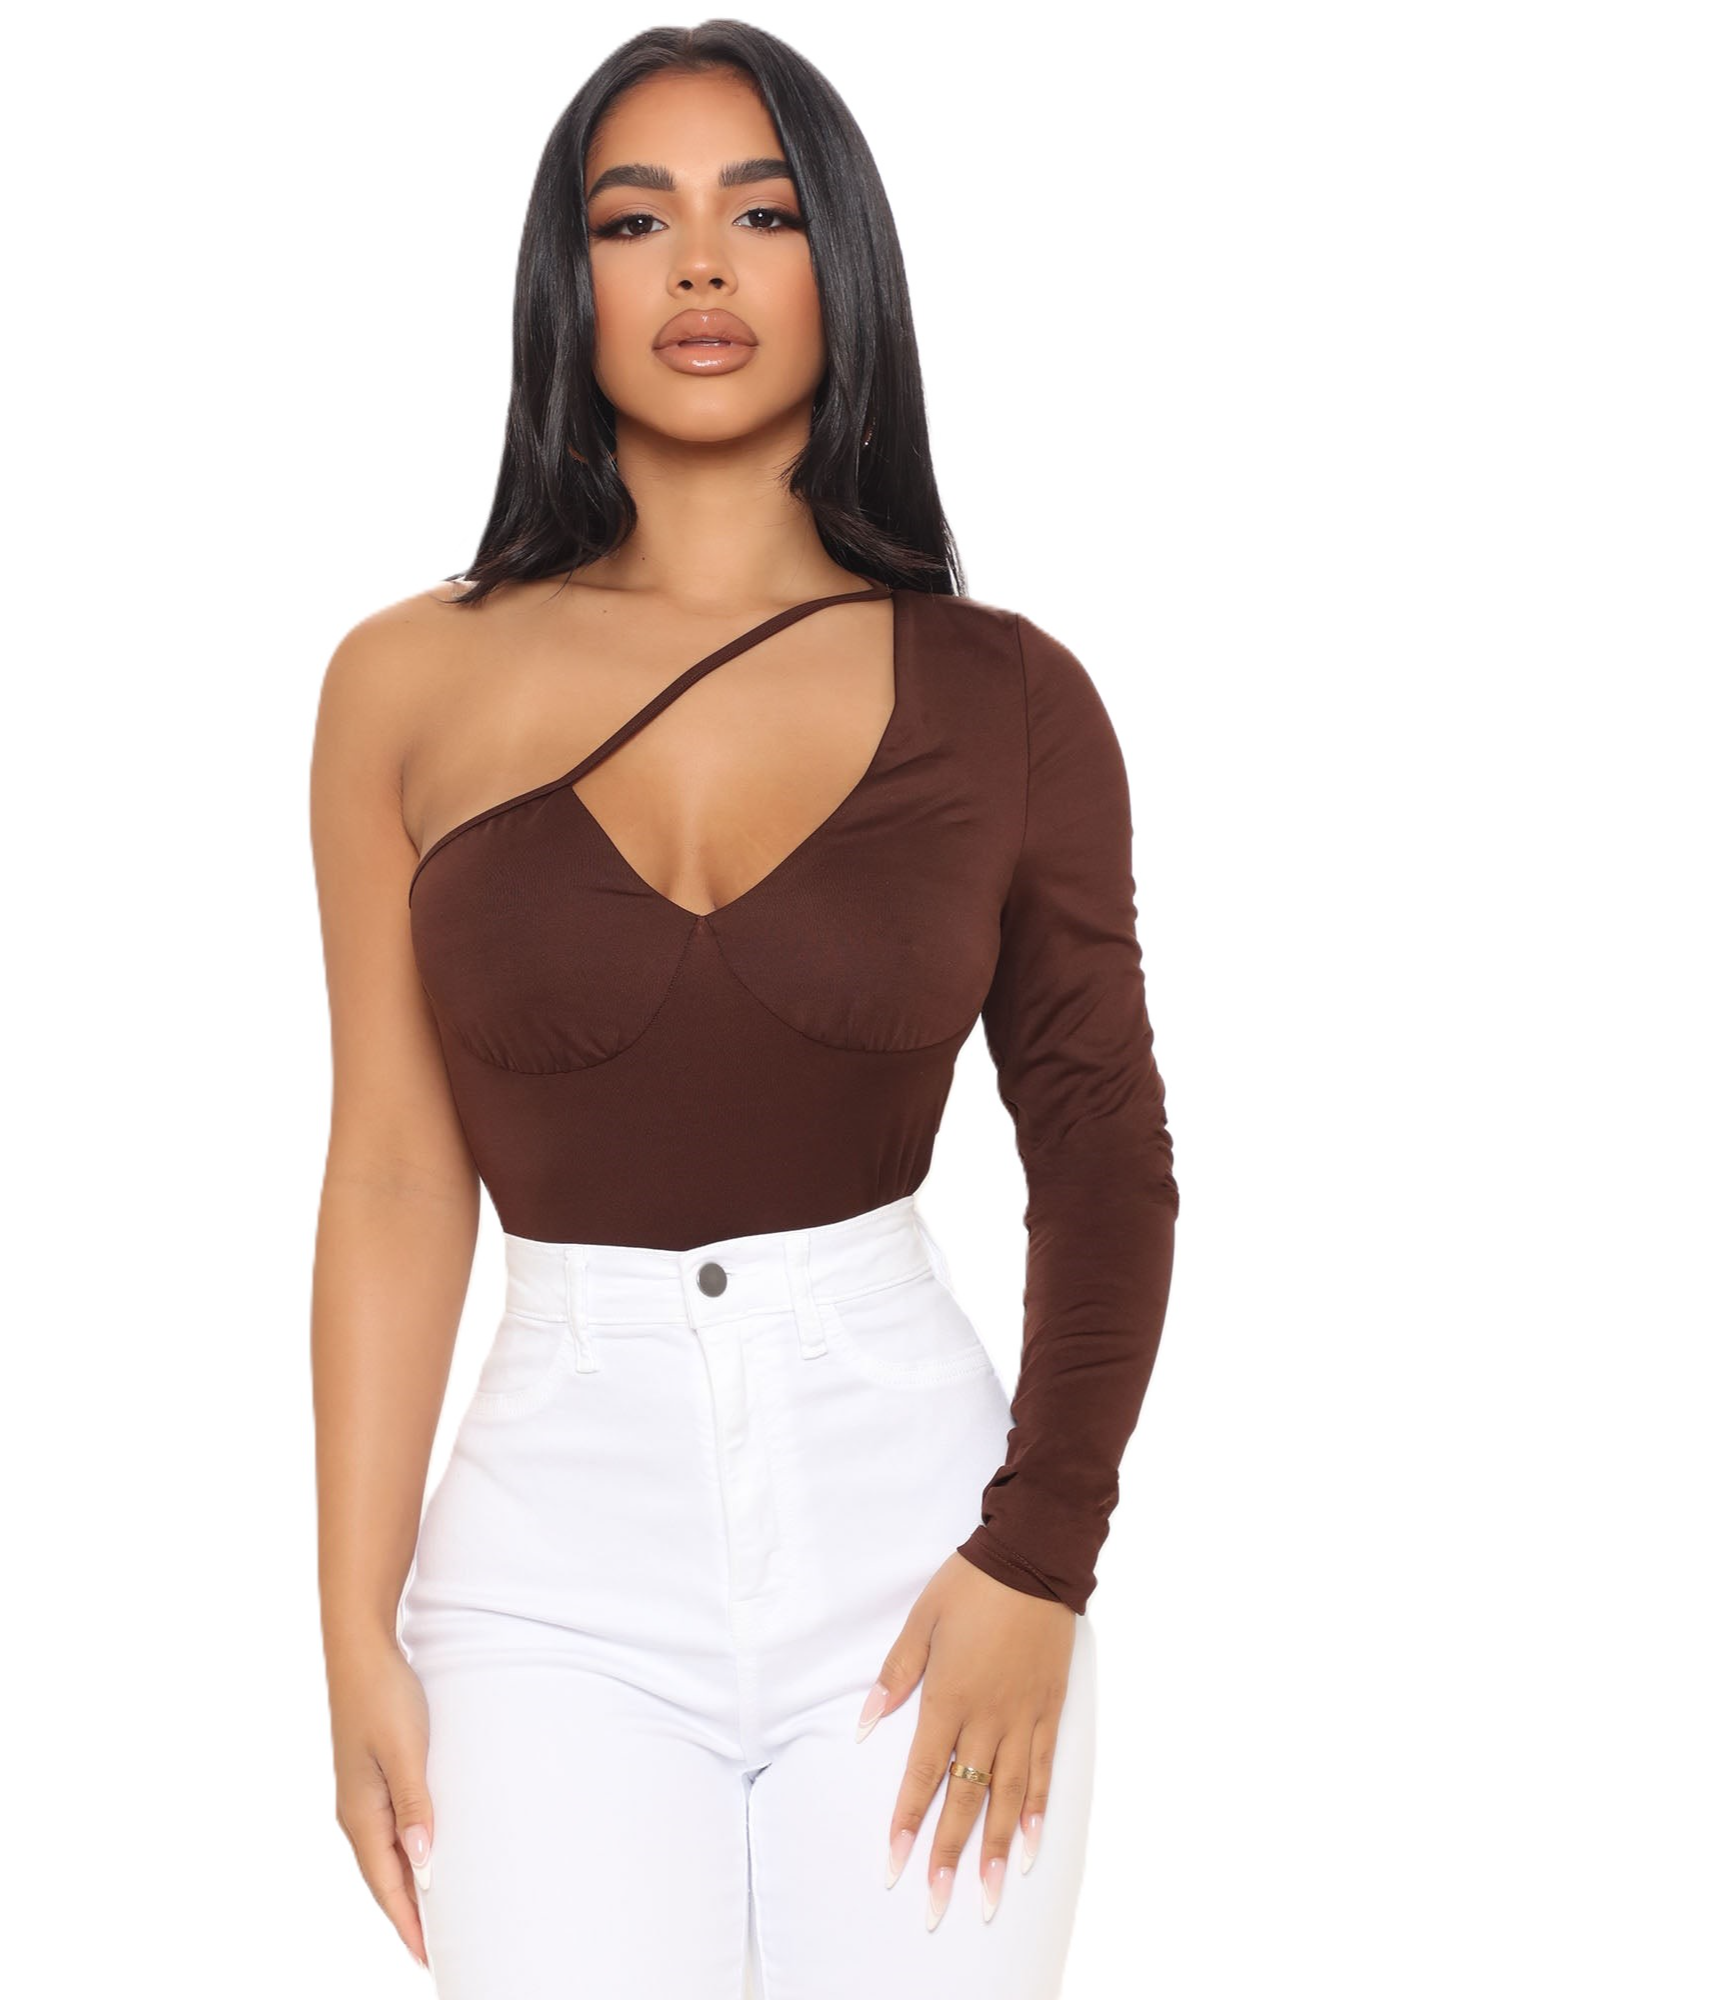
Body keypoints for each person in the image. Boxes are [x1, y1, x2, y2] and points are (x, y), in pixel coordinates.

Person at [307, 23, 1177, 1997]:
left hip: (920, 1538)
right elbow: (391, 1175)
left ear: (839, 261)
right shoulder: (401, 685)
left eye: (761, 213)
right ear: (569, 281)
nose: (699, 263)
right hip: (543, 1572)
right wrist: (354, 1622)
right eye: (635, 220)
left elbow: (1105, 1159)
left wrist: (1038, 1558)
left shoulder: (1008, 696)